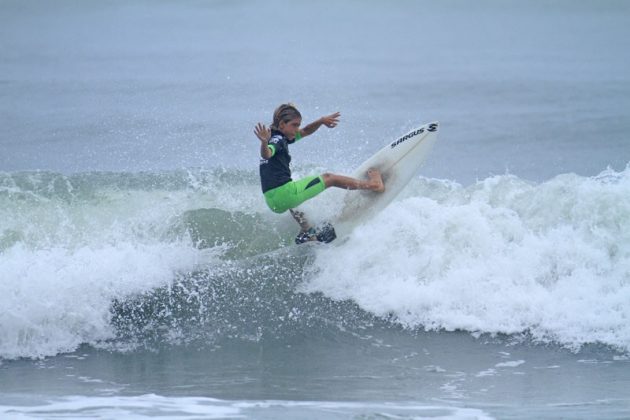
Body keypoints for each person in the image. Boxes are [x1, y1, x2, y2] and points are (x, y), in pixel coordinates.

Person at [254, 103, 384, 242]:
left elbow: (305, 131)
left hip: (273, 202)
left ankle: (307, 230)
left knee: (296, 189)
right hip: (285, 194)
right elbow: (267, 154)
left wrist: (321, 121)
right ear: (282, 124)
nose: (297, 129)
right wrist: (263, 142)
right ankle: (373, 185)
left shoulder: (280, 136)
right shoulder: (277, 140)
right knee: (329, 178)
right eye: (294, 125)